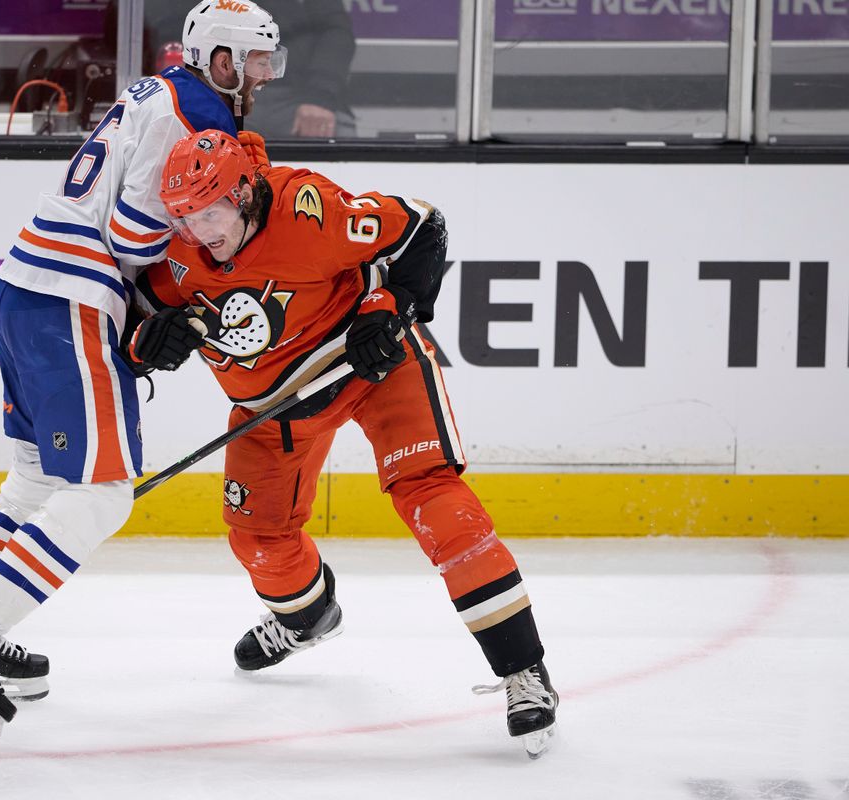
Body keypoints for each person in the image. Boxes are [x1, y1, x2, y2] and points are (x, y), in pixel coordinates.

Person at [0, 2, 286, 742]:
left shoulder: (160, 89)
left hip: (26, 284)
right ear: (223, 60)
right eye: (256, 62)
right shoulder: (197, 113)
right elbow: (137, 231)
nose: (264, 76)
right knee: (105, 493)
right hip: (73, 297)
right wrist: (160, 310)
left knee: (40, 476)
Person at [127, 129, 559, 758]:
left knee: (435, 501)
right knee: (258, 539)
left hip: (371, 370)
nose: (200, 230)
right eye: (186, 217)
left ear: (244, 192)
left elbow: (423, 227)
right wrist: (149, 342)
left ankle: (524, 670)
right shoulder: (175, 253)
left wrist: (391, 307)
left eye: (211, 210)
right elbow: (133, 327)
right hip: (271, 409)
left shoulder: (310, 211)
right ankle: (306, 620)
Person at [143, 0, 355, 139]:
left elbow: (336, 32)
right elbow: (163, 27)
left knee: (342, 134)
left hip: (296, 94)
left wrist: (320, 97)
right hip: (218, 88)